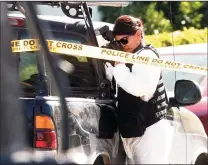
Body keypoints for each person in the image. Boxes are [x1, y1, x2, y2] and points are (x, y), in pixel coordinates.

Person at [104, 15, 174, 164]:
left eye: (124, 40)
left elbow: (140, 88)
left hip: (151, 131)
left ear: (138, 34)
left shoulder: (146, 56)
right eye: (117, 42)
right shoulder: (128, 56)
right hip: (134, 130)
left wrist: (118, 63)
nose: (121, 45)